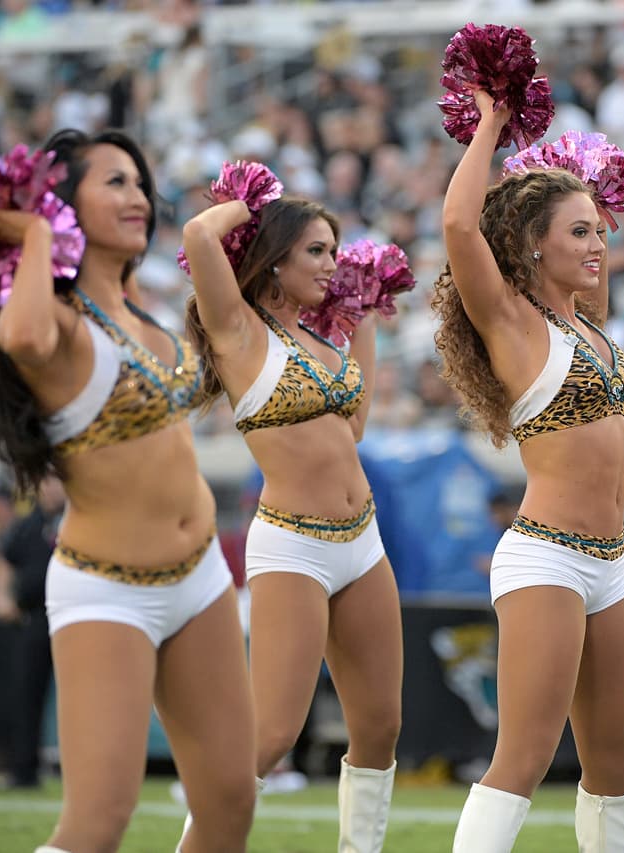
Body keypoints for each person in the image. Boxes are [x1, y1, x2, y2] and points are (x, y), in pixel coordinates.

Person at [0, 128, 255, 853]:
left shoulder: (141, 314)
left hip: (200, 579)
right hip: (108, 588)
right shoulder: (60, 326)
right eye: (114, 183)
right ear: (65, 204)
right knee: (97, 823)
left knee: (228, 804)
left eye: (138, 181)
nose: (137, 196)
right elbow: (23, 335)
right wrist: (34, 232)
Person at [434, 90, 624, 853]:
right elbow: (460, 225)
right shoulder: (514, 322)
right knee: (524, 755)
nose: (598, 243)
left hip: (612, 565)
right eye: (580, 231)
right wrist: (493, 122)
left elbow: (595, 254)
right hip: (546, 556)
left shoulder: (588, 323)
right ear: (530, 244)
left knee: (615, 762)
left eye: (601, 229)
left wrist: (584, 186)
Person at [182, 192, 399, 850]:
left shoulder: (318, 340)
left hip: (362, 540)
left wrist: (361, 312)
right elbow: (197, 235)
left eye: (334, 249)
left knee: (381, 726)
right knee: (272, 732)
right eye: (316, 250)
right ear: (273, 260)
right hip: (294, 547)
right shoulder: (238, 330)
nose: (331, 262)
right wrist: (248, 205)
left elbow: (354, 425)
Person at [0, 474, 66, 790]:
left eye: (55, 482)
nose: (48, 488)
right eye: (44, 482)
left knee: (78, 698)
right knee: (26, 695)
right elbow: (4, 559)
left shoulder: (80, 518)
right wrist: (0, 595)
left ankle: (82, 773)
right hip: (34, 618)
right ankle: (23, 770)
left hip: (74, 618)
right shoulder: (28, 524)